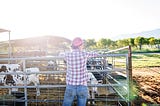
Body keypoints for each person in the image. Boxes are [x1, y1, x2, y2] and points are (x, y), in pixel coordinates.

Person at [62, 37, 99, 106]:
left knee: (66, 104)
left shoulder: (67, 54)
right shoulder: (84, 54)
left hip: (70, 85)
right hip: (82, 85)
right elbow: (96, 54)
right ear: (80, 46)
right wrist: (99, 53)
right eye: (82, 45)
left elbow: (60, 55)